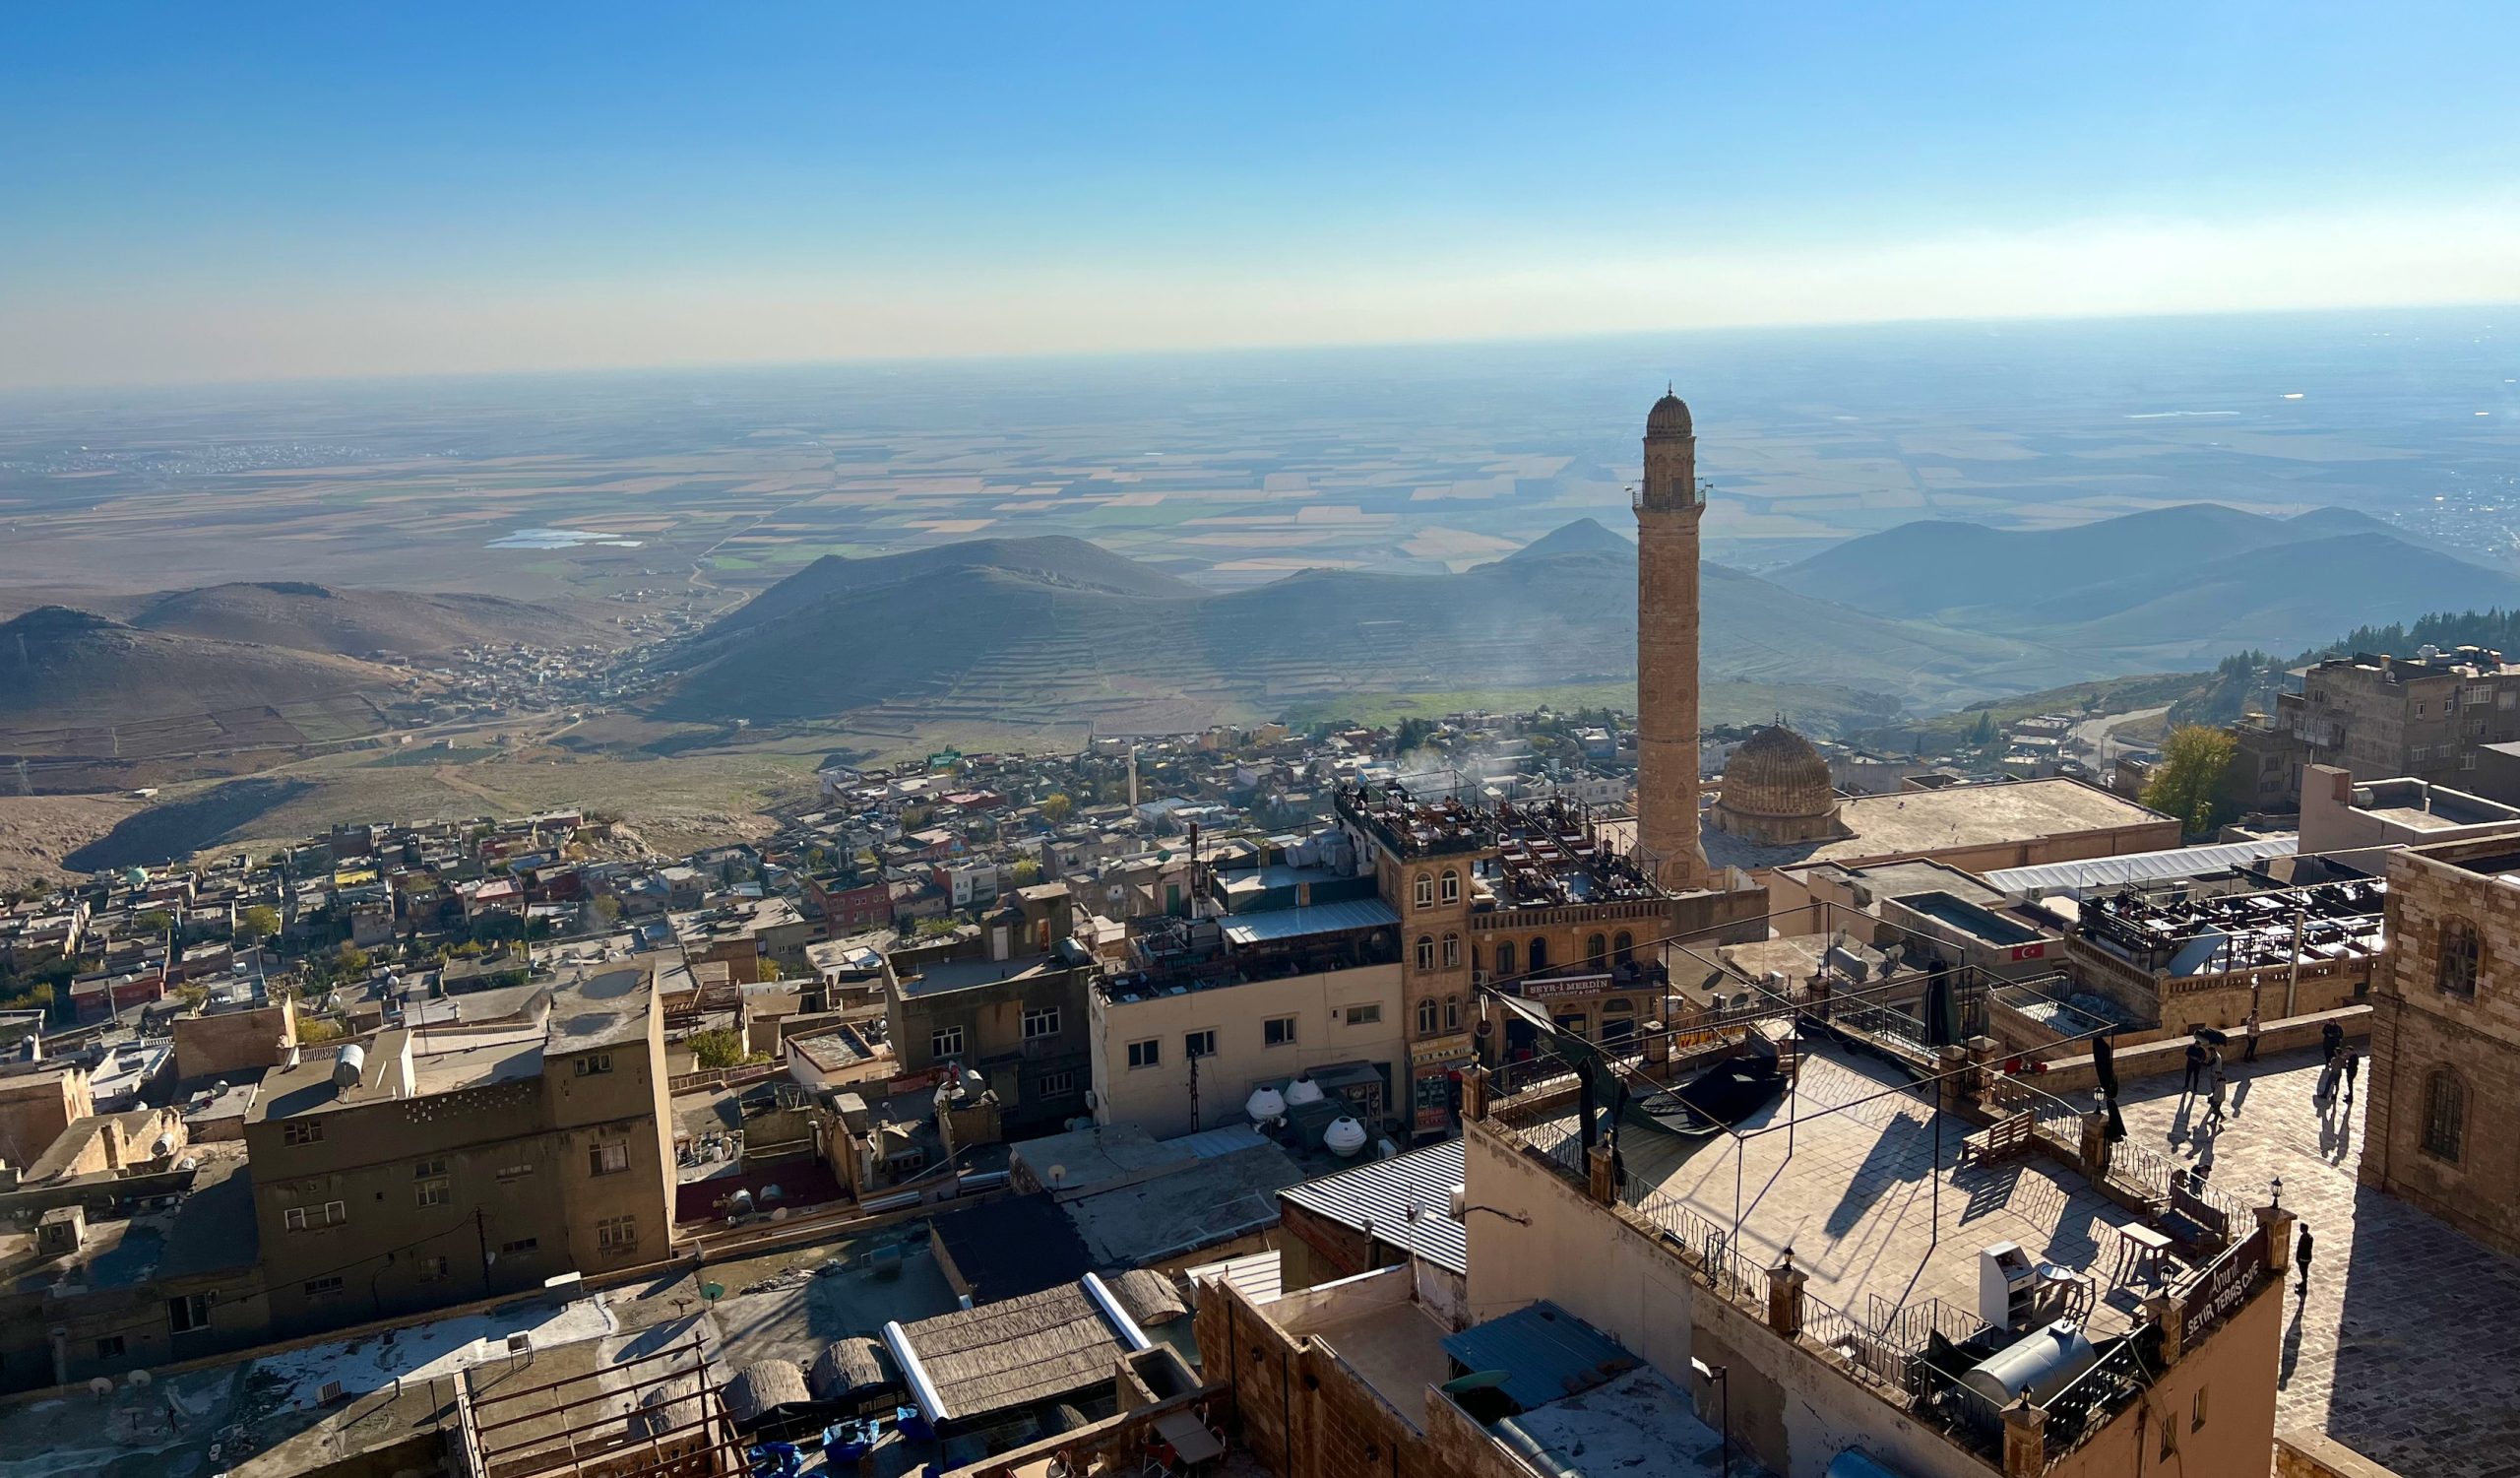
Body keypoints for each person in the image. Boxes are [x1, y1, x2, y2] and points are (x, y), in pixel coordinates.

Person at [2297, 1222, 2315, 1299]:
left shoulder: (2303, 1238)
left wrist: (2298, 1257)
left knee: (2303, 1272)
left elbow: (2300, 1248)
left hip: (2302, 1258)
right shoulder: (2310, 1237)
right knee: (2305, 1271)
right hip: (2308, 1257)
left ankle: (2303, 1288)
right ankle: (2302, 1284)